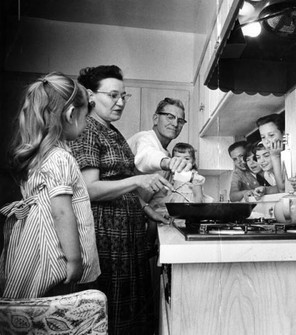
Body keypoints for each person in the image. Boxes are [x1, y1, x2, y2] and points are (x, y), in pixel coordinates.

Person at [70, 65, 171, 335]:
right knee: (113, 312)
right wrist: (138, 181)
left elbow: (120, 181)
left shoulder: (111, 131)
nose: (120, 102)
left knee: (130, 310)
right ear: (91, 95)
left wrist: (147, 209)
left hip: (126, 233)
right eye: (113, 95)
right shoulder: (88, 130)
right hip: (106, 235)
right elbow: (89, 189)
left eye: (124, 96)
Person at [0, 72, 100, 298]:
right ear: (72, 114)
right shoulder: (60, 158)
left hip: (33, 246)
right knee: (54, 307)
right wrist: (74, 259)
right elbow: (61, 212)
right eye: (86, 117)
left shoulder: (42, 156)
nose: (86, 125)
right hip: (55, 255)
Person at [128, 97, 191, 218]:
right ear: (156, 118)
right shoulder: (144, 138)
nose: (175, 124)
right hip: (120, 212)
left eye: (180, 120)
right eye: (170, 117)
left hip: (138, 216)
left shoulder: (166, 155)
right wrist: (167, 163)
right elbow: (146, 156)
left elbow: (158, 196)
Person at [256, 114, 286, 192]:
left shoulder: (293, 153)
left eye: (271, 135)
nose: (266, 141)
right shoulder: (275, 154)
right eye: (263, 137)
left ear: (283, 133)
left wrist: (274, 156)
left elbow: (283, 188)